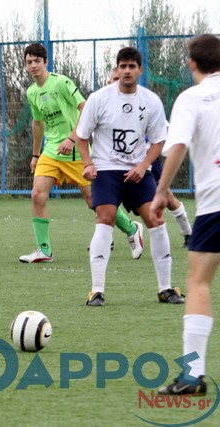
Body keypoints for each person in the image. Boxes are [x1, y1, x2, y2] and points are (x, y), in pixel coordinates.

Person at [75, 47, 184, 307]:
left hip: (139, 171)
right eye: (122, 66)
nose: (126, 71)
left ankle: (165, 288)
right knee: (105, 217)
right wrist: (88, 164)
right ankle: (96, 291)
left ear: (139, 70)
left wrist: (143, 165)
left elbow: (158, 141)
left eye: (131, 66)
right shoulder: (99, 99)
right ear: (117, 69)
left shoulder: (151, 101)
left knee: (155, 218)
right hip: (105, 171)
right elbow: (81, 135)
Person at [20, 43, 143, 264]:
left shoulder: (61, 82)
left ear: (45, 62)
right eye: (29, 62)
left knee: (94, 201)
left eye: (37, 61)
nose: (33, 65)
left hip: (76, 152)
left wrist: (72, 138)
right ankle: (44, 250)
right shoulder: (31, 92)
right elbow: (37, 124)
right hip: (51, 151)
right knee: (37, 195)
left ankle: (132, 229)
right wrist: (36, 154)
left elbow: (85, 108)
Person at [152, 34, 220, 396]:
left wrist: (161, 191)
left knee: (198, 283)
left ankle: (193, 376)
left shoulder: (191, 97)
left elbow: (176, 146)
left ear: (192, 63)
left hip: (216, 205)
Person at [108, 67, 193, 248]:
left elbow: (163, 133)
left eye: (118, 78)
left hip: (148, 161)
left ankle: (188, 233)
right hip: (118, 163)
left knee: (167, 197)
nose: (116, 82)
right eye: (113, 79)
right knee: (104, 196)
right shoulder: (104, 104)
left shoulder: (144, 103)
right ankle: (106, 238)